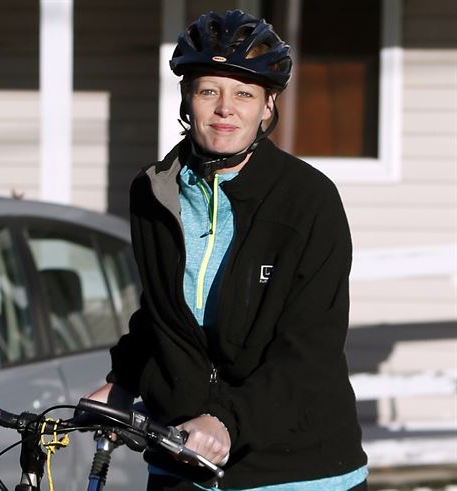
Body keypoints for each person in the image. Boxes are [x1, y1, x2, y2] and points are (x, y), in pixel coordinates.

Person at [87, 9, 368, 491]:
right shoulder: (155, 192)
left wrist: (225, 421)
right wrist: (124, 377)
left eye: (243, 93)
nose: (225, 108)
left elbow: (310, 349)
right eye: (208, 90)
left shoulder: (307, 200)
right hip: (180, 457)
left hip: (295, 469)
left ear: (267, 106)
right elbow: (163, 313)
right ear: (187, 99)